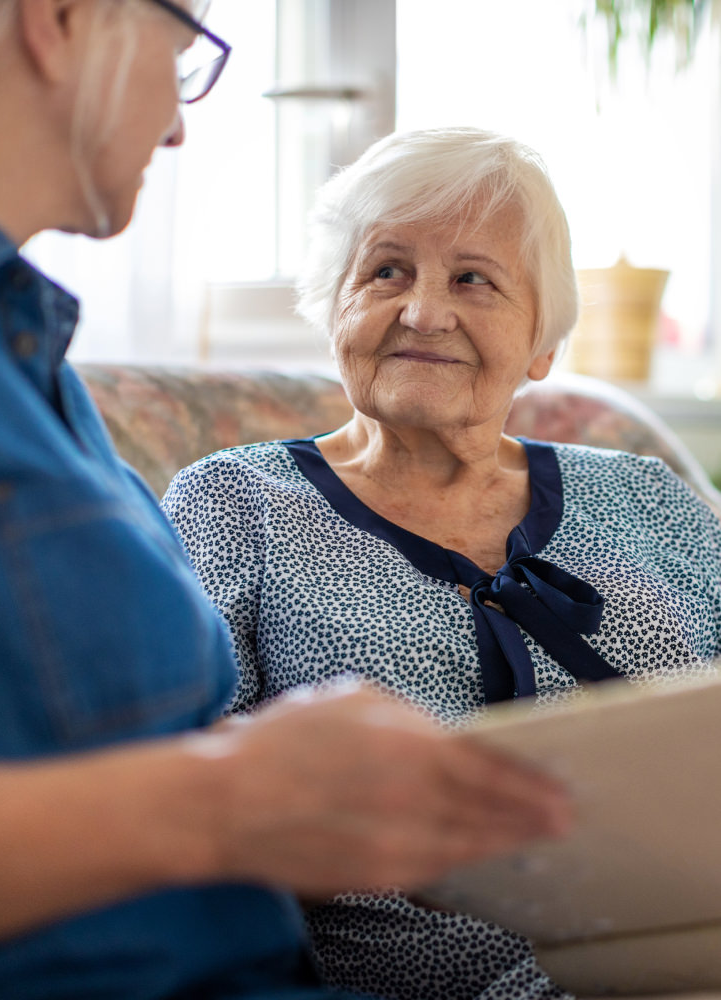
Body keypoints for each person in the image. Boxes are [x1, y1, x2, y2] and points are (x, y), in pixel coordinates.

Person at [0, 5, 575, 1000]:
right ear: (64, 18)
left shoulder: (18, 349)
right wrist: (222, 802)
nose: (177, 125)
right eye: (184, 59)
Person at [162, 126, 721, 1000]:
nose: (424, 311)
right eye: (386, 271)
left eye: (473, 279)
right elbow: (176, 799)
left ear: (541, 344)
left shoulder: (644, 497)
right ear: (333, 309)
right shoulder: (239, 503)